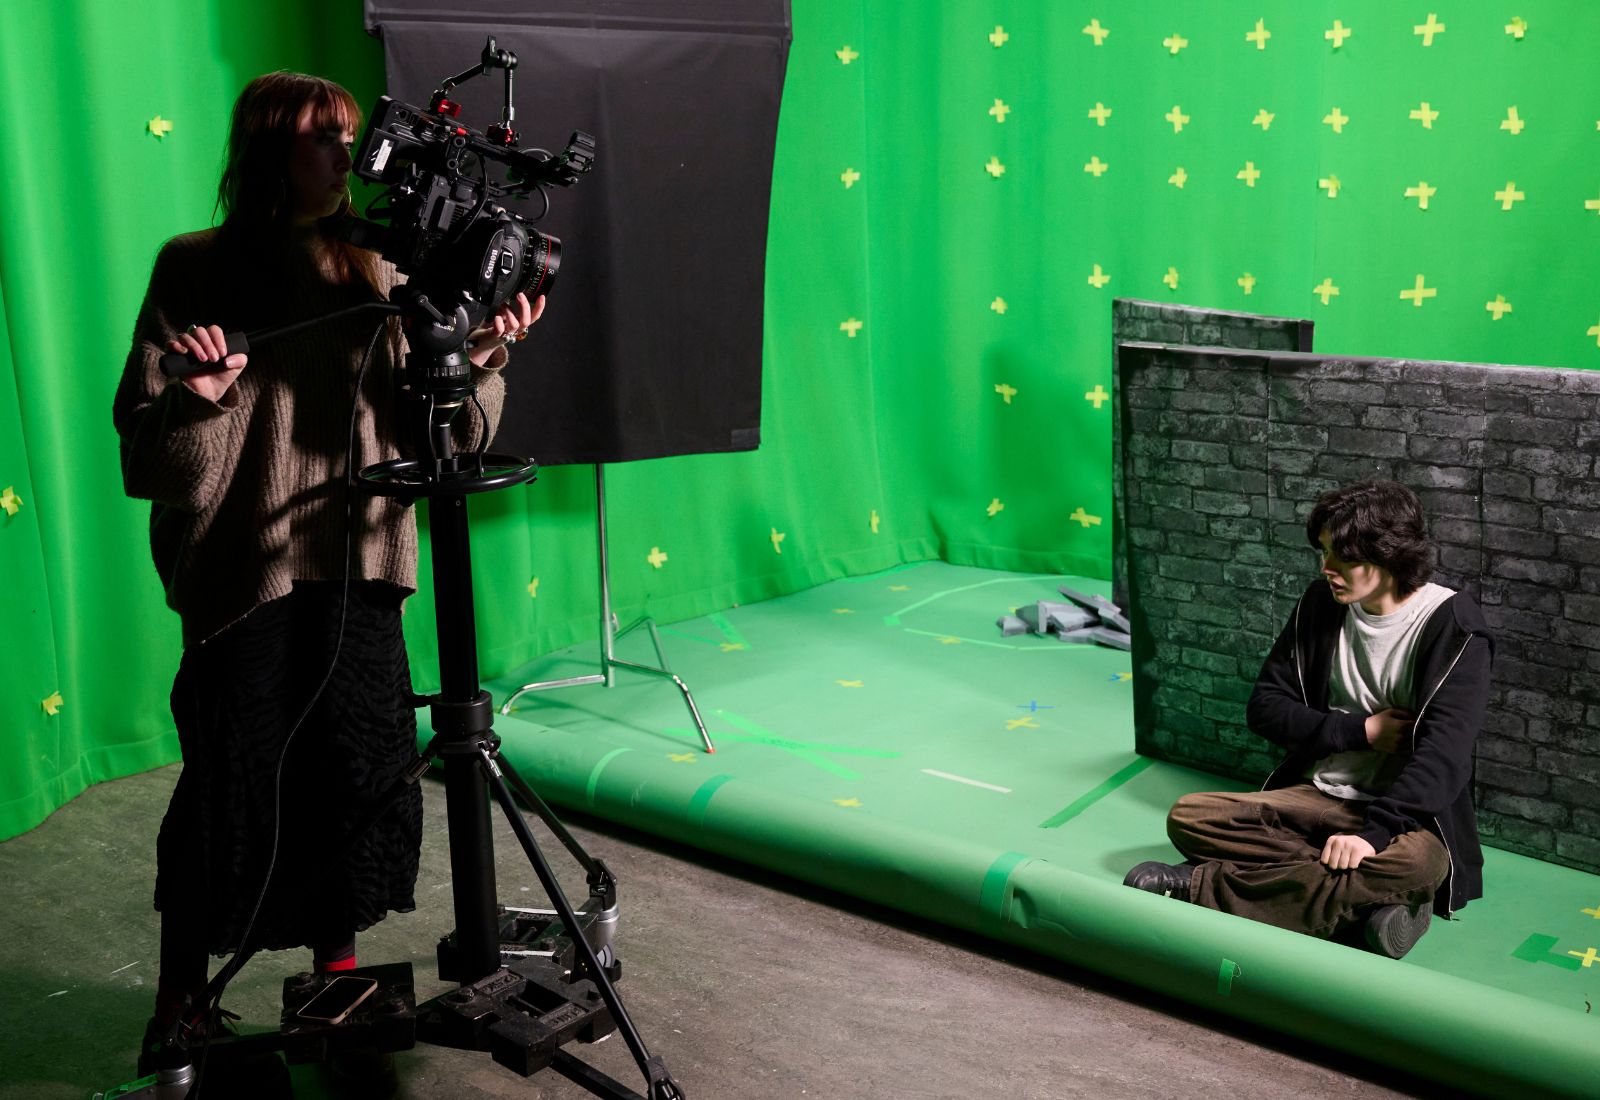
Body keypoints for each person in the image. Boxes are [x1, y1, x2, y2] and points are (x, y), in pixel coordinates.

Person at [112, 71, 544, 1077]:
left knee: (353, 779)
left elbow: (446, 436)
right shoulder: (195, 267)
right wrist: (206, 399)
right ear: (269, 149)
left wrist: (478, 357)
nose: (346, 156)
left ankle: (336, 994)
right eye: (322, 138)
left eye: (351, 137)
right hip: (241, 576)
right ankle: (182, 1006)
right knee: (230, 789)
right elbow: (150, 461)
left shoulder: (387, 267)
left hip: (364, 567)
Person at [1123, 479, 1492, 958]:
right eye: (1324, 553)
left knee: (1418, 865)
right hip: (1316, 797)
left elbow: (1445, 757)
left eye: (1343, 558)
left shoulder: (1453, 625)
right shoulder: (1321, 604)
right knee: (1192, 817)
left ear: (1388, 555)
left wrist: (1372, 834)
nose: (1327, 569)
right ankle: (1362, 913)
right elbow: (1266, 708)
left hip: (1400, 820)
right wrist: (1361, 731)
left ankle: (1199, 885)